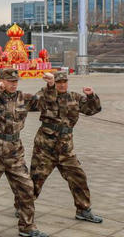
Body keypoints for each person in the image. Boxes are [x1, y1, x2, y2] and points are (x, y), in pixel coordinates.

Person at [0, 68, 49, 237]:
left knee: (26, 188)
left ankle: (27, 226)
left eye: (15, 81)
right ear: (2, 81)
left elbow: (44, 101)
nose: (14, 84)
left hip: (14, 151)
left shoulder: (23, 98)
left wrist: (50, 85)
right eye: (10, 81)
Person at [29, 71, 102, 222]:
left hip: (66, 149)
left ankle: (83, 210)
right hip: (45, 148)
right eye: (58, 82)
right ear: (54, 83)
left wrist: (91, 96)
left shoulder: (74, 97)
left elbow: (92, 110)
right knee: (36, 179)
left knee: (78, 177)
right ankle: (23, 207)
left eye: (64, 82)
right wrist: (49, 87)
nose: (62, 85)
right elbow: (32, 104)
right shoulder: (45, 95)